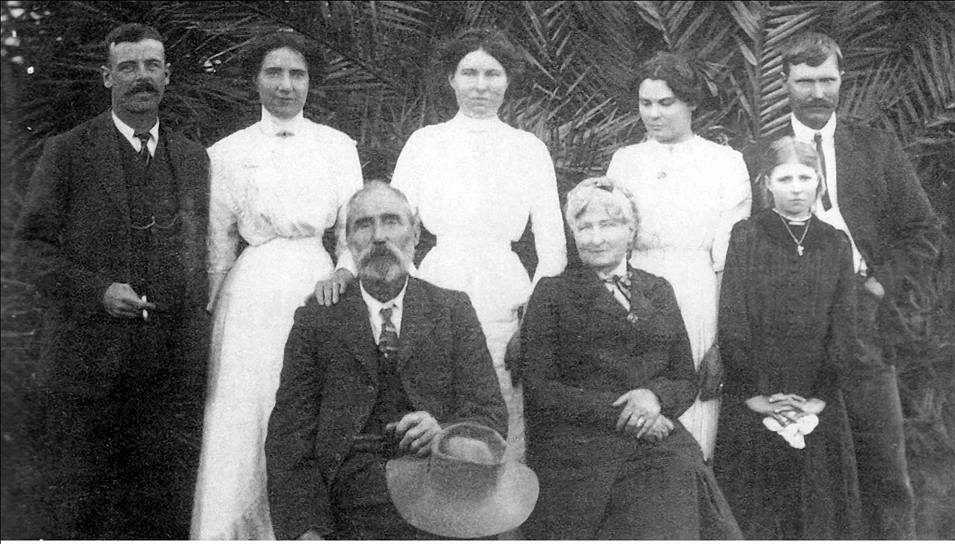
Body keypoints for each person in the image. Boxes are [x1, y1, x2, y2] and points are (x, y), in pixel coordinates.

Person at [743, 32, 943, 539]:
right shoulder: (754, 156)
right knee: (795, 467)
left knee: (883, 464)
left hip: (863, 320)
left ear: (841, 80)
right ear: (783, 81)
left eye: (827, 80)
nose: (816, 92)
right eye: (804, 81)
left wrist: (879, 286)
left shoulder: (875, 147)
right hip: (787, 328)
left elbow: (923, 231)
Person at [14, 23, 209, 539]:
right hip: (85, 372)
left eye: (151, 66)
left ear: (167, 75)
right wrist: (97, 292)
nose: (140, 77)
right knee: (81, 515)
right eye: (127, 67)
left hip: (167, 378)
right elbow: (30, 250)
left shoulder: (193, 159)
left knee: (161, 516)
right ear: (106, 77)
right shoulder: (68, 151)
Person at [190, 30, 363, 539]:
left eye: (297, 74)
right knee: (245, 407)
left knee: (304, 406)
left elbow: (353, 229)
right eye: (274, 73)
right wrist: (211, 310)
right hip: (251, 293)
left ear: (310, 82)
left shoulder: (336, 146)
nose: (286, 85)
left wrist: (343, 272)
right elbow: (217, 245)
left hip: (318, 289)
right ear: (255, 80)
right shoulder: (226, 151)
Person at [265, 181, 508, 540]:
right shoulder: (317, 320)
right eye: (364, 225)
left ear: (415, 234)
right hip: (352, 501)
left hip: (441, 492)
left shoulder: (453, 310)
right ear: (348, 241)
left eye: (391, 221)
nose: (379, 237)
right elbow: (289, 436)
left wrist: (444, 432)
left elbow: (490, 414)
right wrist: (306, 530)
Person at [518, 177, 740, 540]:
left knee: (678, 473)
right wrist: (630, 414)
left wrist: (653, 398)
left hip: (658, 435)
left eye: (609, 224)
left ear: (631, 229)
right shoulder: (552, 294)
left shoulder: (658, 289)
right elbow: (542, 390)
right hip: (583, 447)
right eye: (584, 226)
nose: (596, 237)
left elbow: (684, 378)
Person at [384, 27, 567, 462]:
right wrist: (410, 297)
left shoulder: (529, 149)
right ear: (451, 78)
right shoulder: (425, 142)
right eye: (469, 73)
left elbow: (553, 248)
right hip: (437, 286)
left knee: (502, 412)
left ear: (508, 80)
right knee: (434, 405)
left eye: (492, 73)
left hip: (506, 295)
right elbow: (393, 230)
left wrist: (533, 322)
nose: (481, 86)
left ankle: (500, 521)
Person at [714, 137, 862, 539]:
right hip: (756, 393)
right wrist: (754, 394)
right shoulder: (747, 235)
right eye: (785, 178)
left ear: (819, 182)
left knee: (817, 507)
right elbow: (734, 316)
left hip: (815, 392)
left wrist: (819, 396)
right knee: (757, 507)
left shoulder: (835, 243)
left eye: (804, 177)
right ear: (767, 184)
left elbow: (844, 325)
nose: (796, 187)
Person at [606, 52, 751, 460]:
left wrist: (720, 344)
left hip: (697, 296)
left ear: (691, 102)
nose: (653, 114)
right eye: (645, 103)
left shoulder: (725, 163)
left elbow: (729, 261)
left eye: (665, 103)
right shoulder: (625, 161)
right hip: (632, 294)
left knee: (692, 427)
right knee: (634, 419)